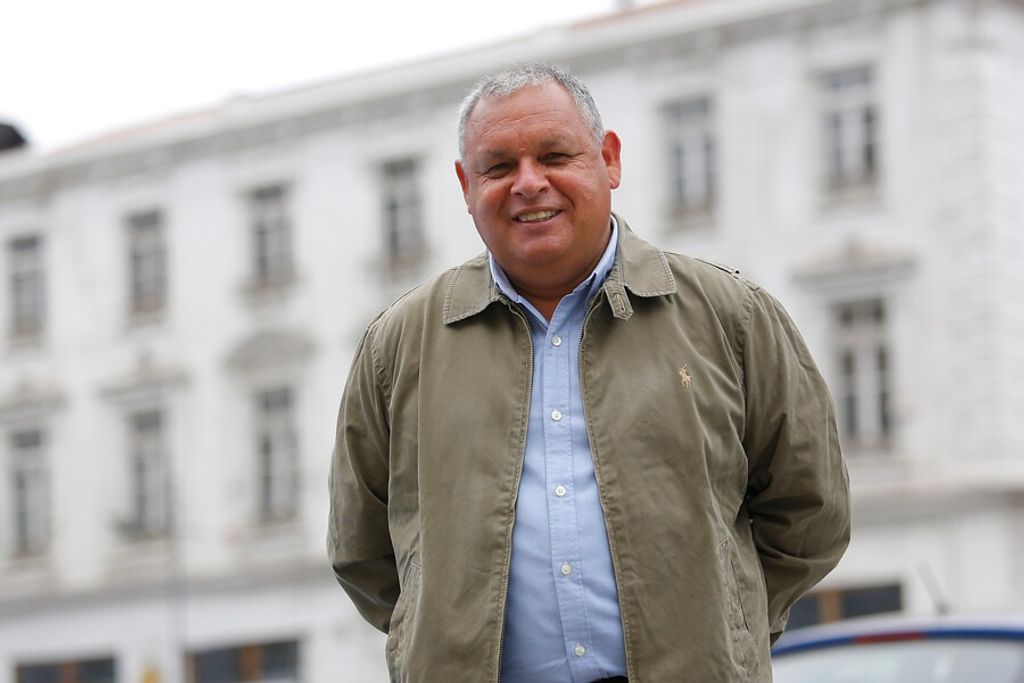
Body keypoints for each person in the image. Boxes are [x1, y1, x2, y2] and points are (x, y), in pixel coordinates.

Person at [328, 63, 850, 683]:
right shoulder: (397, 346)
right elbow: (362, 551)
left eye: (555, 155)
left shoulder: (731, 316)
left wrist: (729, 623)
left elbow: (812, 513)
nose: (529, 183)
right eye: (499, 167)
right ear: (466, 186)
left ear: (609, 160)